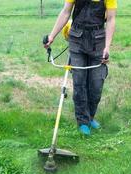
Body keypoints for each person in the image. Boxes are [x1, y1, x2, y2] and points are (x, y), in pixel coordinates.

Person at [44, 0, 117, 135]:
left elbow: (111, 19)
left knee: (96, 84)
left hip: (98, 40)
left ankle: (90, 117)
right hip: (77, 39)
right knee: (79, 83)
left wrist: (107, 47)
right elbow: (66, 12)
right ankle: (83, 121)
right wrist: (51, 36)